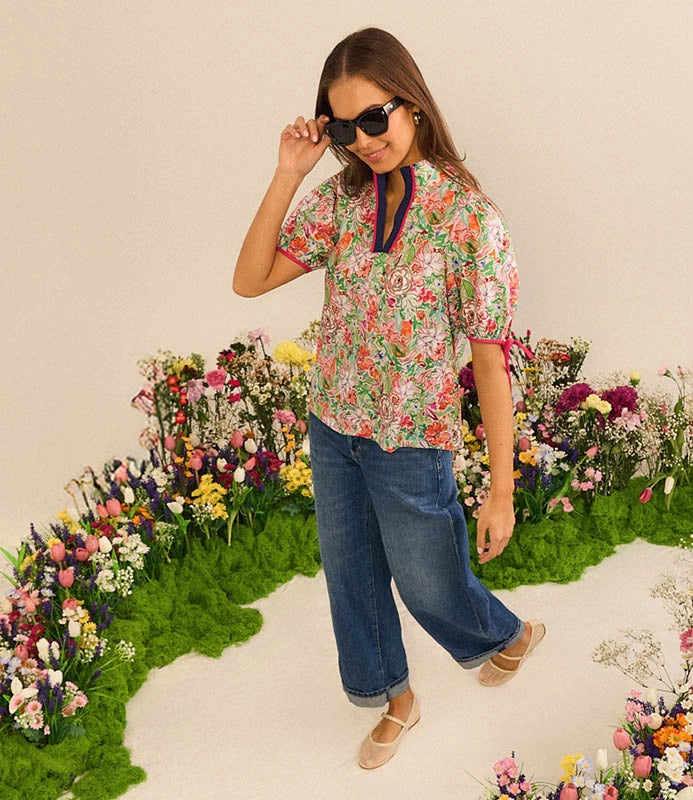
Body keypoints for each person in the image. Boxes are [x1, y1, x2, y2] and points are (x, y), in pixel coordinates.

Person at [233, 27, 546, 770]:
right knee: (351, 577)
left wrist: (500, 492)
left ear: (413, 105)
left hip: (410, 436)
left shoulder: (470, 219)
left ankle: (506, 635)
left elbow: (491, 364)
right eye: (345, 126)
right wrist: (288, 172)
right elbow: (250, 279)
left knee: (427, 576)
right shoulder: (342, 199)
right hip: (333, 421)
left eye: (376, 117)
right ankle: (396, 700)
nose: (364, 139)